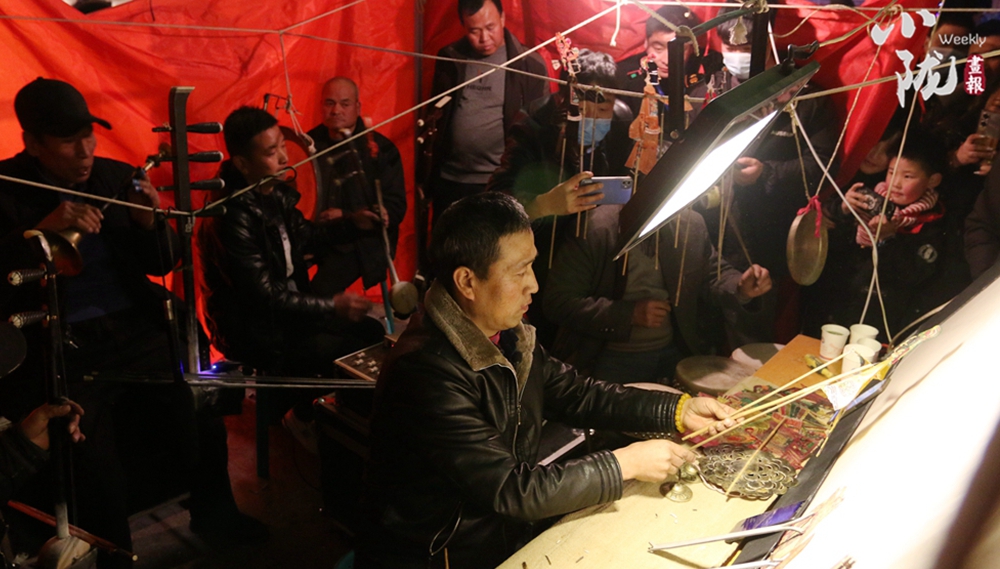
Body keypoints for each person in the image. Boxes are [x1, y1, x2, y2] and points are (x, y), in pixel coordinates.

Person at [355, 192, 737, 569]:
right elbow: (511, 489)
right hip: (440, 556)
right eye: (519, 271)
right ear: (467, 282)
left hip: (500, 534)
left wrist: (677, 410)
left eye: (532, 266)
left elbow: (579, 394)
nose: (534, 285)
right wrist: (625, 464)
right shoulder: (427, 373)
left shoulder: (506, 334)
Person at [0, 78, 262, 569]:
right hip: (60, 342)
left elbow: (164, 261)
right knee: (92, 457)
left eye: (88, 136)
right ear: (32, 143)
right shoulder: (7, 191)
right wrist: (38, 234)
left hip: (135, 327)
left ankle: (215, 515)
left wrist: (149, 223)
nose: (85, 151)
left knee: (200, 408)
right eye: (68, 141)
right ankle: (115, 554)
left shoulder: (115, 178)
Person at [200, 106, 385, 378]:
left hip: (289, 314)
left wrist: (353, 223)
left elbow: (307, 236)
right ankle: (294, 404)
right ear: (242, 164)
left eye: (283, 145)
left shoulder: (273, 192)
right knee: (343, 349)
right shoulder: (231, 215)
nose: (284, 157)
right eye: (271, 152)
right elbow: (264, 298)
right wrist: (332, 305)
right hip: (254, 329)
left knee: (372, 332)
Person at [488, 49, 634, 347]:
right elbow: (496, 201)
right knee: (545, 336)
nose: (595, 119)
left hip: (595, 252)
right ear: (567, 98)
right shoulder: (533, 125)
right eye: (586, 110)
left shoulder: (622, 120)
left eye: (603, 110)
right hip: (544, 251)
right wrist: (543, 205)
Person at [544, 204, 771, 383]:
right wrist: (629, 314)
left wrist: (740, 287)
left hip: (675, 351)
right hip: (609, 356)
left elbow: (712, 275)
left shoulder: (690, 223)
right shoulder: (597, 228)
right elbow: (558, 301)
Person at [805, 133, 949, 340]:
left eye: (908, 177)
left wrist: (888, 239)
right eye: (891, 172)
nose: (895, 183)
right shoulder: (868, 198)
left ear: (932, 180)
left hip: (881, 318)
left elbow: (913, 274)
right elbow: (828, 247)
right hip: (838, 302)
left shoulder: (931, 222)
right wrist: (844, 209)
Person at [424, 0, 549, 222]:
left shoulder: (528, 64)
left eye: (490, 27)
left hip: (501, 182)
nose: (484, 38)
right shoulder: (450, 58)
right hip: (451, 180)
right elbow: (436, 117)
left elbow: (540, 130)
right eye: (475, 31)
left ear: (502, 18)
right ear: (463, 26)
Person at [306, 77, 408, 296]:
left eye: (345, 104)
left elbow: (395, 206)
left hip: (361, 242)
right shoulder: (309, 144)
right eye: (330, 103)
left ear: (358, 107)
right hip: (317, 234)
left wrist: (348, 215)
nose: (336, 111)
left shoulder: (380, 150)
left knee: (321, 290)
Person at [616, 4, 717, 120]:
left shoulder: (708, 71)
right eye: (658, 48)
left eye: (678, 50)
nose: (667, 60)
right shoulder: (623, 77)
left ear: (692, 48)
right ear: (646, 42)